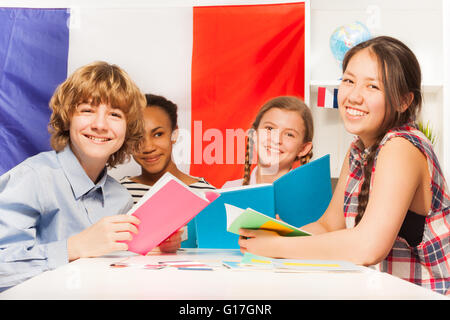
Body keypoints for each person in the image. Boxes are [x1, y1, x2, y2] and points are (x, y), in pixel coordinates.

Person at [238, 36, 449, 295]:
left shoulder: (401, 146)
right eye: (349, 81)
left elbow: (368, 246)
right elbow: (328, 226)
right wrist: (280, 236)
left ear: (404, 101)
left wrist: (275, 247)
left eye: (373, 86)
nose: (354, 96)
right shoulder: (358, 150)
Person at [0, 61, 148, 292]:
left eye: (115, 114)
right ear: (68, 118)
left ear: (128, 129)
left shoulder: (120, 197)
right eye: (87, 110)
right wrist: (73, 248)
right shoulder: (33, 178)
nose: (100, 124)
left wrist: (149, 247)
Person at [120, 94, 216, 250]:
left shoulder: (205, 194)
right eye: (137, 137)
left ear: (174, 134)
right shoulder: (118, 194)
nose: (148, 147)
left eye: (158, 134)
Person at [222, 96, 314, 188]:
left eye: (289, 134)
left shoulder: (312, 198)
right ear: (254, 134)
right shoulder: (229, 190)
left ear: (303, 149)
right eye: (269, 128)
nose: (276, 139)